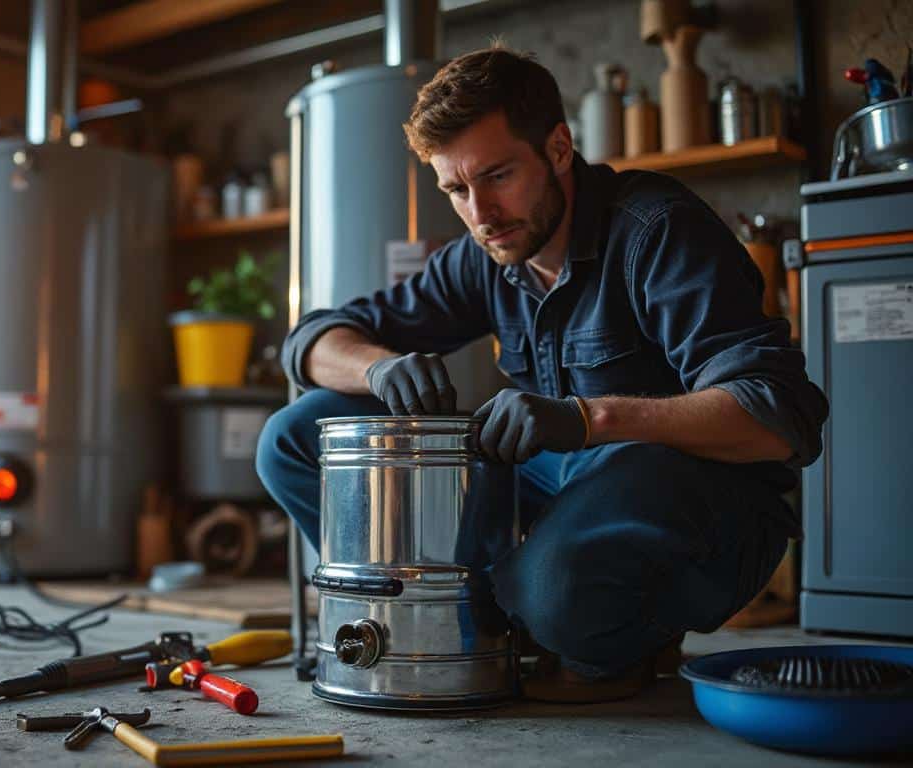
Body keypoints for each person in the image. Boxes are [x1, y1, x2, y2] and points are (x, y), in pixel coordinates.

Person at [255, 46, 828, 702]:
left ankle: (605, 635)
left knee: (551, 588)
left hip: (694, 501)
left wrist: (591, 419)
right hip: (560, 484)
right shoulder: (489, 251)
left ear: (558, 148)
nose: (481, 212)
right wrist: (380, 368)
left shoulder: (655, 229)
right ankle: (466, 624)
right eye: (456, 189)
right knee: (295, 438)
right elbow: (311, 342)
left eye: (498, 176)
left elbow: (781, 415)